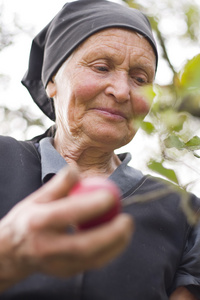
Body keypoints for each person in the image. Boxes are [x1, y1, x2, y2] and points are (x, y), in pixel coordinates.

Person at [0, 0, 200, 299]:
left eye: (140, 78)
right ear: (52, 79)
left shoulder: (184, 214)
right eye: (101, 67)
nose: (121, 90)